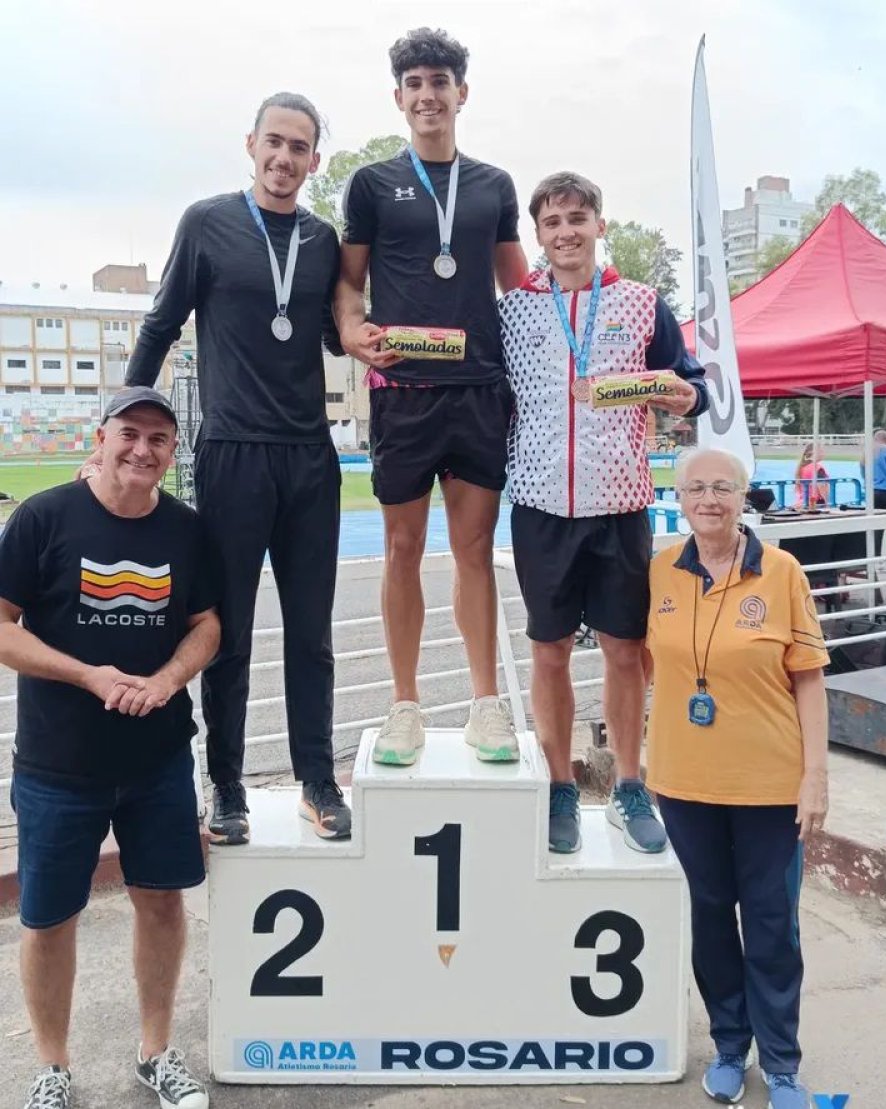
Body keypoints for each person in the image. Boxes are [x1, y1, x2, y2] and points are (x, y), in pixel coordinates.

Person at [124, 93, 350, 843]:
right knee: (227, 630)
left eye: (300, 148)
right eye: (274, 143)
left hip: (310, 459)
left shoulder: (322, 242)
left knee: (311, 631)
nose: (285, 159)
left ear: (316, 160)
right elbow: (160, 323)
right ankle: (228, 786)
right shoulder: (207, 224)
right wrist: (127, 416)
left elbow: (339, 332)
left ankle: (318, 779)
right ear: (251, 144)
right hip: (232, 455)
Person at [1, 388, 219, 1109]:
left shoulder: (186, 530)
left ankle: (157, 1051)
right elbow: (2, 626)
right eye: (130, 433)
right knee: (49, 917)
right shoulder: (42, 518)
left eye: (159, 439)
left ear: (170, 453)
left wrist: (165, 680)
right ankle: (52, 1067)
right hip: (58, 765)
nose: (142, 449)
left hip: (156, 760)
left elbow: (206, 625)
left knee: (161, 902)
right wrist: (86, 673)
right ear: (100, 438)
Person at [335, 28, 528, 766]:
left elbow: (520, 286)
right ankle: (404, 704)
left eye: (439, 81)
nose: (427, 94)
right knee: (401, 548)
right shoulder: (372, 183)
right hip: (404, 392)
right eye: (414, 83)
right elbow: (350, 284)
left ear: (461, 93)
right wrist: (352, 330)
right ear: (398, 97)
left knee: (475, 551)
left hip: (479, 389)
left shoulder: (493, 185)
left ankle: (485, 704)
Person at [499, 171, 708, 854]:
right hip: (539, 505)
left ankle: (627, 784)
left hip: (620, 504)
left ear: (599, 224)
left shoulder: (643, 302)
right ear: (538, 234)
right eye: (552, 221)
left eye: (577, 217)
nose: (565, 232)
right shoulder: (514, 310)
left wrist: (684, 396)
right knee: (549, 650)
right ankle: (560, 784)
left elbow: (694, 386)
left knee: (626, 650)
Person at [645, 447, 829, 1109]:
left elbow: (809, 679)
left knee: (774, 925)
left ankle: (780, 1063)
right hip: (684, 783)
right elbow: (638, 662)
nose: (709, 499)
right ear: (680, 497)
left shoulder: (780, 573)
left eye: (722, 486)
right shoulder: (661, 570)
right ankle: (729, 1044)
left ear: (744, 495)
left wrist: (815, 777)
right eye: (696, 487)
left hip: (769, 787)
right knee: (710, 918)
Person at [793, 442, 829, 508]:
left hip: (801, 504)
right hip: (815, 504)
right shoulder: (818, 468)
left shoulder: (801, 468)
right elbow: (822, 490)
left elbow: (797, 489)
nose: (824, 453)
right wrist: (828, 506)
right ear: (815, 452)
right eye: (821, 451)